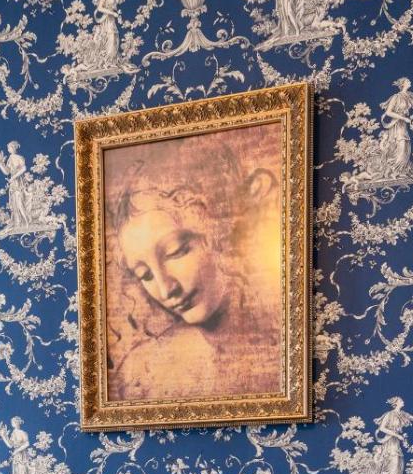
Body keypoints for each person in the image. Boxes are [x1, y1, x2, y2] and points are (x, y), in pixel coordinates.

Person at [105, 130, 282, 404]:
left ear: (219, 231)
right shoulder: (142, 374)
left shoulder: (285, 344)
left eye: (176, 252)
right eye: (145, 275)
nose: (166, 289)